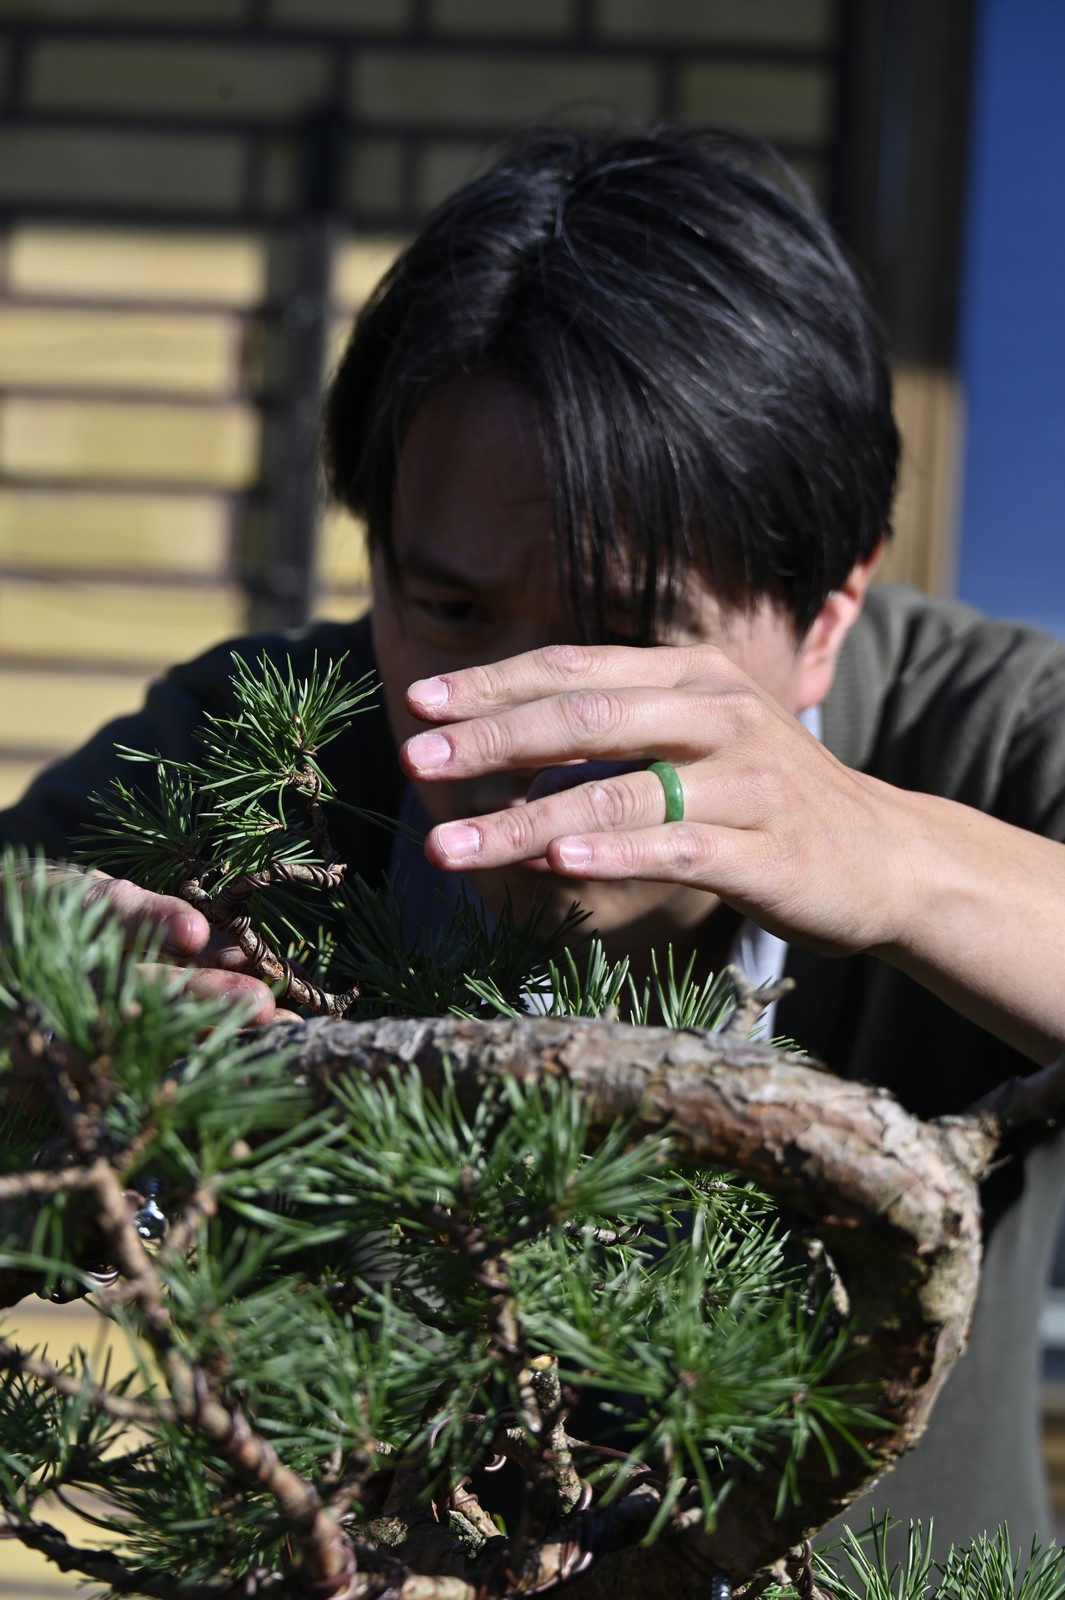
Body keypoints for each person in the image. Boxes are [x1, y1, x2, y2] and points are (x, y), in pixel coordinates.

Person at [4, 124, 1065, 1554]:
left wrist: (906, 866)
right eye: (452, 612)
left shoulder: (993, 741)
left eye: (628, 640)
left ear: (826, 615)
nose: (530, 720)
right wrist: (48, 1039)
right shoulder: (260, 759)